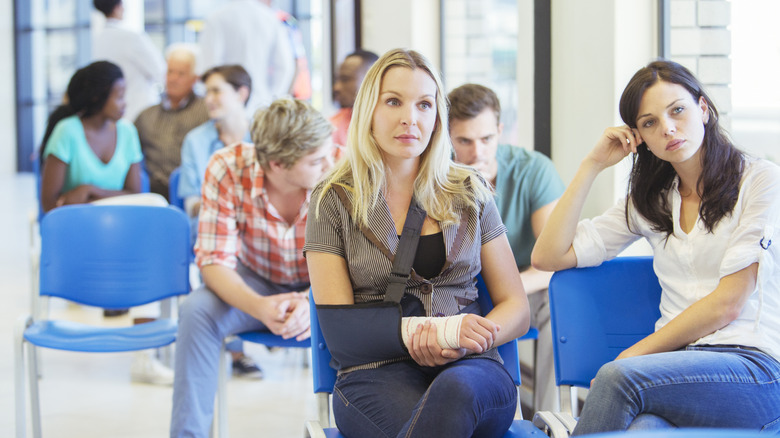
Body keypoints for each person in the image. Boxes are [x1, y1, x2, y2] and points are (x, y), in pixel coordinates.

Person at [531, 60, 780, 433]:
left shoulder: (760, 180)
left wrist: (631, 357)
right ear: (639, 138)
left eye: (677, 110)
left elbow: (728, 303)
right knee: (641, 430)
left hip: (754, 371)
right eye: (649, 123)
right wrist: (592, 165)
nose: (668, 128)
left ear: (703, 108)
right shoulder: (652, 201)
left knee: (617, 378)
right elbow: (548, 255)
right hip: (676, 376)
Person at [305, 48, 531, 437]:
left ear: (437, 117)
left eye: (424, 104)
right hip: (374, 372)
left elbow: (517, 308)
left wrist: (463, 340)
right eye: (394, 101)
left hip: (471, 368)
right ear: (368, 111)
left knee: (455, 392)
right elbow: (340, 334)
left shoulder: (470, 191)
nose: (411, 118)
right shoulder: (332, 199)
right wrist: (425, 333)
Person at [170, 97, 334, 437]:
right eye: (316, 161)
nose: (330, 164)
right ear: (277, 164)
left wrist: (311, 301)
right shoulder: (227, 167)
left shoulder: (342, 169)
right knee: (196, 312)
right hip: (255, 279)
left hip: (327, 283)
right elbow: (213, 260)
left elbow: (356, 264)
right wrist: (259, 307)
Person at [448, 83, 565, 412]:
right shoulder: (436, 177)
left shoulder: (533, 170)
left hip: (524, 286)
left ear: (500, 131)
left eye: (487, 139)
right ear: (448, 139)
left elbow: (555, 260)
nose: (478, 152)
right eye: (464, 141)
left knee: (560, 303)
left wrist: (510, 290)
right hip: (460, 291)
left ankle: (550, 418)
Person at [40, 61, 143, 213]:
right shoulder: (66, 131)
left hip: (118, 220)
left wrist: (91, 190)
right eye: (119, 97)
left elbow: (135, 195)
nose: (124, 104)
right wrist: (108, 199)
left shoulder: (128, 132)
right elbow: (49, 203)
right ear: (97, 96)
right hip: (75, 221)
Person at [134, 43, 209, 200]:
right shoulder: (146, 115)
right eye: (170, 72)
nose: (173, 79)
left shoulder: (206, 112)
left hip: (195, 191)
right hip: (154, 193)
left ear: (195, 79)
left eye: (181, 74)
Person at [178, 65, 252, 219]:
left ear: (241, 94)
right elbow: (191, 206)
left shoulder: (264, 137)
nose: (208, 99)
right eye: (207, 93)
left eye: (216, 91)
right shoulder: (194, 140)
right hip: (211, 223)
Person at [198, 0, 295, 113]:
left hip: (227, 101)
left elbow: (208, 65)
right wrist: (272, 98)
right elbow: (285, 67)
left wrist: (212, 94)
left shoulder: (217, 18)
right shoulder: (269, 17)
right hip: (261, 101)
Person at [92, 0, 166, 122]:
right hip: (140, 110)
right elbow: (159, 70)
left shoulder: (99, 39)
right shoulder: (131, 37)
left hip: (114, 113)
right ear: (117, 7)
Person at [330, 49, 379, 150]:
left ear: (372, 80)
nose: (336, 88)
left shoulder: (395, 124)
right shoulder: (332, 126)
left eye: (345, 79)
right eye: (337, 79)